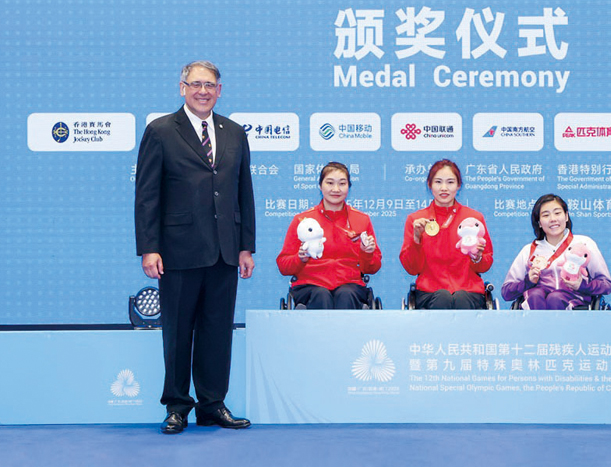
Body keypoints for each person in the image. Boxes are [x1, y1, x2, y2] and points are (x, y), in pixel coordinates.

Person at [135, 60, 255, 434]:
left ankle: (212, 405)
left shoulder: (234, 132)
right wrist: (149, 247)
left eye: (210, 85)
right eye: (196, 84)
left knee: (217, 331)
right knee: (177, 331)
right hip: (178, 250)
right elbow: (147, 195)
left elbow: (244, 192)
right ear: (182, 87)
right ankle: (176, 406)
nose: (203, 91)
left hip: (225, 249)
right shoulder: (160, 131)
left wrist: (246, 246)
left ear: (220, 90)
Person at [276, 162, 381, 308]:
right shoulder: (302, 220)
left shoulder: (361, 219)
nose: (336, 189)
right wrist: (300, 258)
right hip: (310, 285)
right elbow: (283, 266)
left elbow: (373, 267)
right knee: (321, 295)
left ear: (349, 187)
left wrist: (367, 253)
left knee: (345, 294)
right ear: (320, 186)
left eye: (342, 183)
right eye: (330, 183)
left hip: (350, 285)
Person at [399, 159, 493, 309]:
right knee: (442, 297)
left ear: (458, 185)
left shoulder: (474, 219)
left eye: (450, 182)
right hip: (429, 292)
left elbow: (485, 264)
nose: (444, 188)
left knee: (461, 297)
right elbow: (412, 269)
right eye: (438, 182)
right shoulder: (416, 220)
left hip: (468, 290)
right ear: (429, 185)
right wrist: (416, 238)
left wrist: (477, 257)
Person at [501, 194, 611, 309]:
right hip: (536, 304)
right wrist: (528, 281)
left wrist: (582, 285)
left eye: (557, 213)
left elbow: (606, 284)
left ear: (566, 216)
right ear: (539, 223)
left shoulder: (584, 244)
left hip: (575, 305)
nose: (553, 219)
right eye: (546, 215)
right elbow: (506, 292)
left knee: (555, 298)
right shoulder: (529, 251)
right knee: (534, 295)